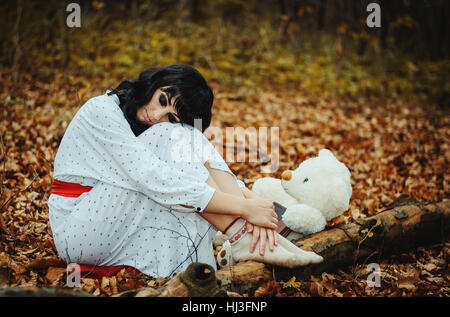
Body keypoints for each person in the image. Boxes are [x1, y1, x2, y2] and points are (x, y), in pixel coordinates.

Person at [47, 64, 322, 278]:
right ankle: (241, 235)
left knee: (186, 136)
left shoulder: (153, 124)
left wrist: (249, 200)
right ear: (155, 84)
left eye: (171, 114)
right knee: (170, 137)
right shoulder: (102, 111)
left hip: (110, 215)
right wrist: (242, 206)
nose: (157, 114)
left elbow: (197, 161)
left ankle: (249, 235)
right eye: (163, 99)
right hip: (80, 228)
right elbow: (155, 179)